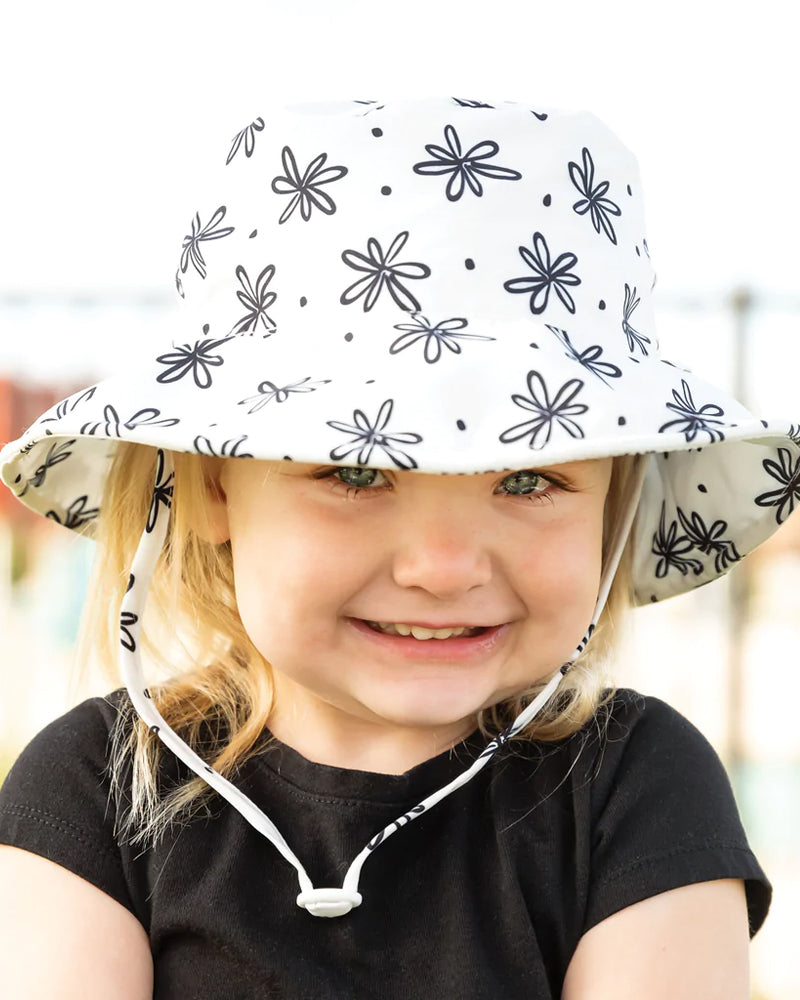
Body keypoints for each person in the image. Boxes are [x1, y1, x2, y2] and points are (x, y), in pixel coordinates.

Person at [0, 97, 796, 999]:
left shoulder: (637, 791)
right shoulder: (95, 796)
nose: (444, 566)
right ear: (214, 485)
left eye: (529, 479)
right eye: (356, 471)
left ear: (615, 498)